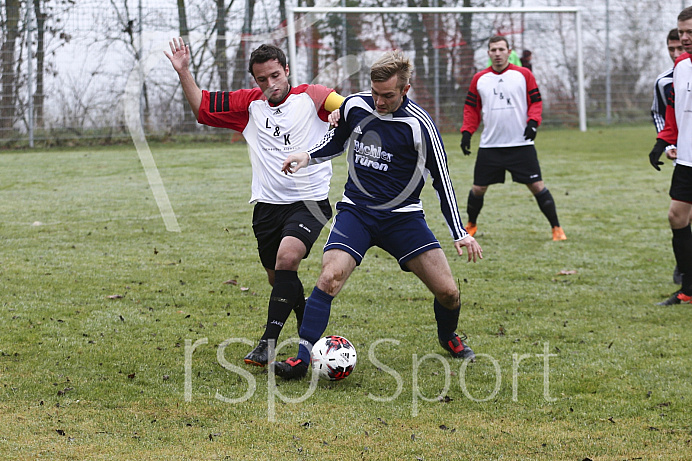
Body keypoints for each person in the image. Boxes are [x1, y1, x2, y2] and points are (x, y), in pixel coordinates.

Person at [272, 50, 483, 380]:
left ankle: (448, 337)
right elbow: (335, 142)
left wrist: (460, 231)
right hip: (356, 213)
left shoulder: (420, 126)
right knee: (328, 278)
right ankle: (302, 357)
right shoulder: (355, 106)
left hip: (403, 218)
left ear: (405, 90)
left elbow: (443, 180)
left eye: (387, 96)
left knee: (449, 293)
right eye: (375, 93)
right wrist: (307, 155)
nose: (379, 102)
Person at [164, 38, 345, 365]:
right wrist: (184, 72)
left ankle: (267, 343)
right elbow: (202, 109)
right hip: (266, 207)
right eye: (262, 79)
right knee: (279, 279)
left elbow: (346, 106)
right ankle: (311, 333)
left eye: (276, 75)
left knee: (287, 258)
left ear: (286, 70)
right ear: (255, 80)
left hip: (310, 202)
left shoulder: (312, 95)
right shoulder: (249, 104)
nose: (270, 84)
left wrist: (338, 116)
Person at [460, 36, 566, 241]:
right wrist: (467, 132)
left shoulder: (524, 75)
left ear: (509, 52)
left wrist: (533, 122)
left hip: (521, 145)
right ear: (488, 53)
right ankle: (471, 224)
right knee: (478, 188)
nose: (497, 54)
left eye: (501, 49)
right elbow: (471, 108)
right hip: (490, 145)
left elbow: (536, 101)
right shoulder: (479, 79)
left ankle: (557, 228)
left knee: (537, 186)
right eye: (493, 50)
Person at [648, 6, 692, 306]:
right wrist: (662, 142)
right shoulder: (682, 66)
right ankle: (688, 289)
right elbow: (673, 114)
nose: (684, 38)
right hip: (687, 159)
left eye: (690, 33)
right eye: (681, 33)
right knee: (677, 217)